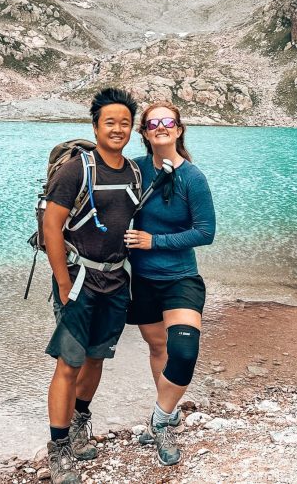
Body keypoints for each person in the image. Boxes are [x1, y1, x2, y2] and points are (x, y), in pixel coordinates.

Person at [42, 87, 142, 484]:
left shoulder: (133, 171)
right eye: (110, 122)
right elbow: (52, 226)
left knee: (97, 357)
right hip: (80, 279)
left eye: (124, 123)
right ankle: (59, 447)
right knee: (69, 363)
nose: (118, 129)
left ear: (132, 128)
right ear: (96, 126)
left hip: (117, 278)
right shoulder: (77, 170)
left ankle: (81, 423)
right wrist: (64, 283)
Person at [123, 100, 216, 466]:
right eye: (152, 123)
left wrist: (153, 241)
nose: (160, 127)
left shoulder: (193, 177)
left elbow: (205, 232)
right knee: (158, 348)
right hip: (142, 280)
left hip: (180, 279)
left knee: (183, 352)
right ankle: (167, 414)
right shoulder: (135, 170)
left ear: (178, 129)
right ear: (144, 133)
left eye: (167, 121)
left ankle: (159, 419)